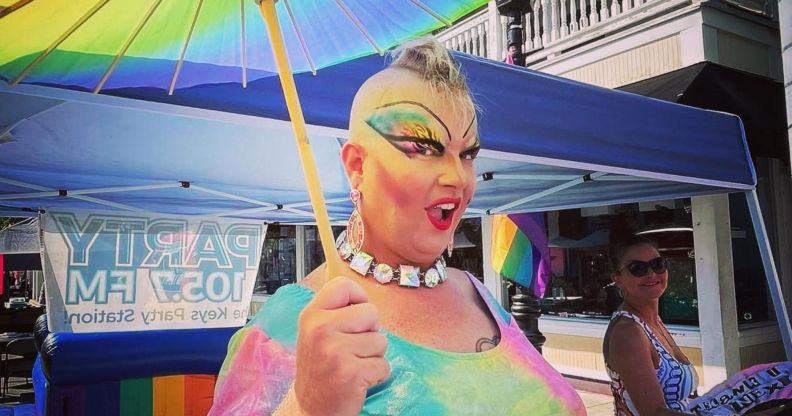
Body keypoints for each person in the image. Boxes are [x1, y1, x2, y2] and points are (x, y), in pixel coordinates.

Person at [209, 38, 586, 415]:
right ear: (358, 167)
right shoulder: (288, 325)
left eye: (467, 154)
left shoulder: (477, 293)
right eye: (423, 147)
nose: (457, 177)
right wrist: (306, 406)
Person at [603, 229, 698, 415]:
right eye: (637, 268)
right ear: (618, 279)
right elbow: (654, 413)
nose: (652, 273)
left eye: (658, 264)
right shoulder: (628, 332)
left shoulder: (652, 321)